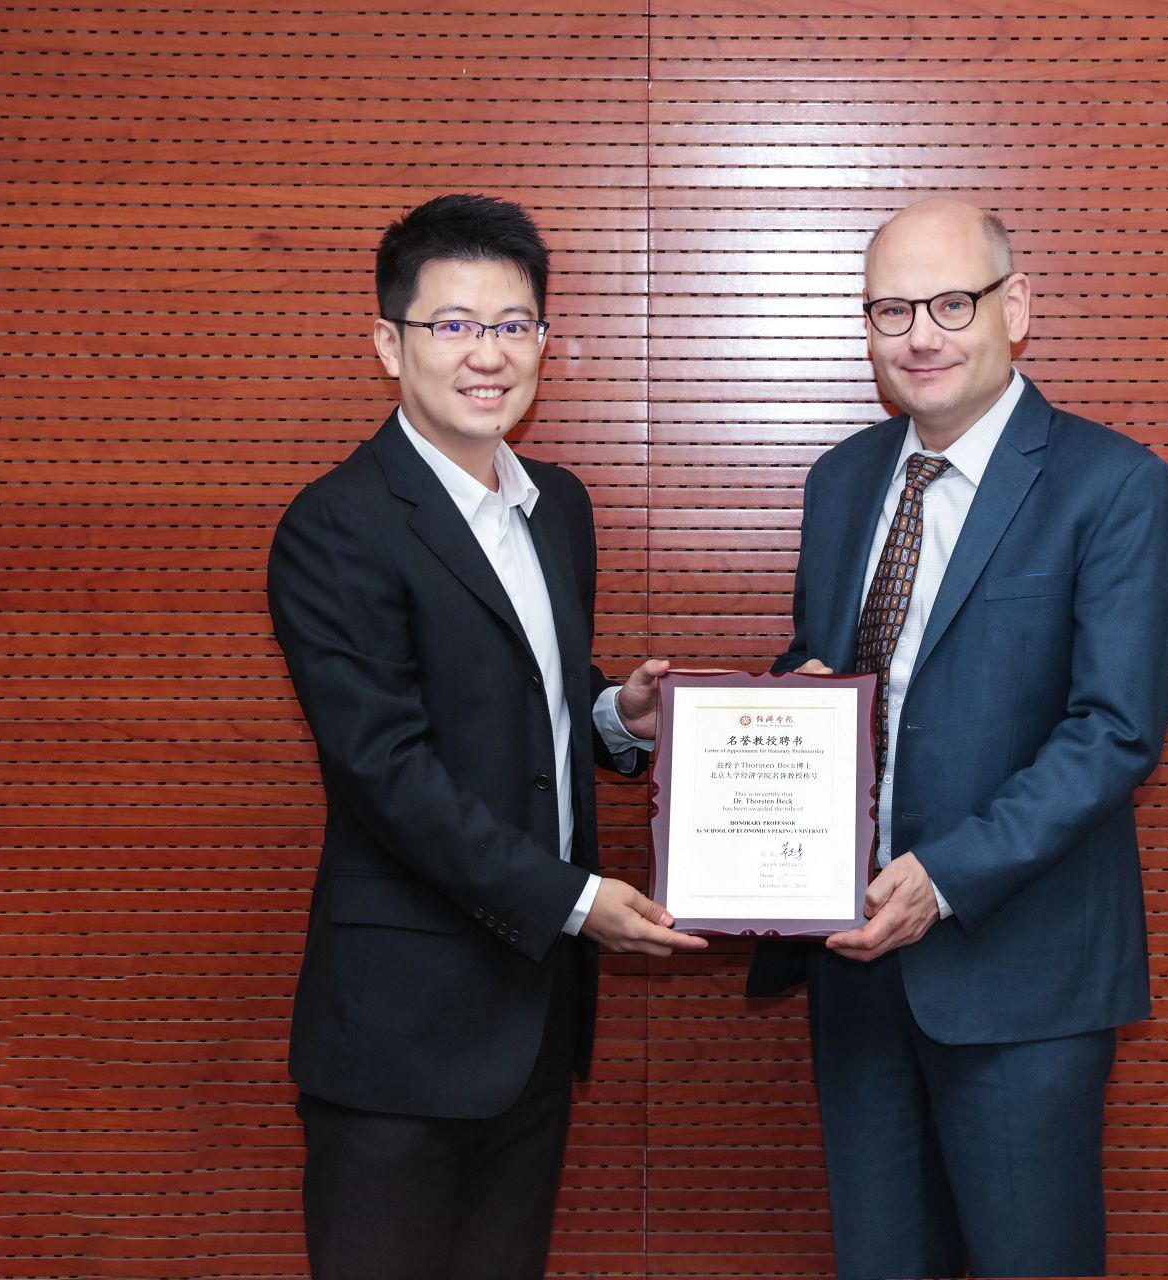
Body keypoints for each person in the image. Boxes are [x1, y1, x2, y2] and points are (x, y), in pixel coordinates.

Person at [267, 193, 706, 1280]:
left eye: (513, 324)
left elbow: (521, 697)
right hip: (400, 1035)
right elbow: (386, 771)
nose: (488, 354)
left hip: (534, 1016)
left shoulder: (557, 504)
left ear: (543, 341)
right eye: (454, 325)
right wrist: (578, 902)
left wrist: (615, 716)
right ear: (390, 344)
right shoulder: (336, 525)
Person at [747, 197, 1168, 1278]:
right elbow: (829, 673)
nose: (921, 336)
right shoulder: (841, 479)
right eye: (891, 310)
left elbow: (1114, 730)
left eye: (952, 303)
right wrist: (779, 707)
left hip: (1020, 973)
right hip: (856, 968)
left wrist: (941, 879)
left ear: (1015, 308)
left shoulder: (1113, 484)